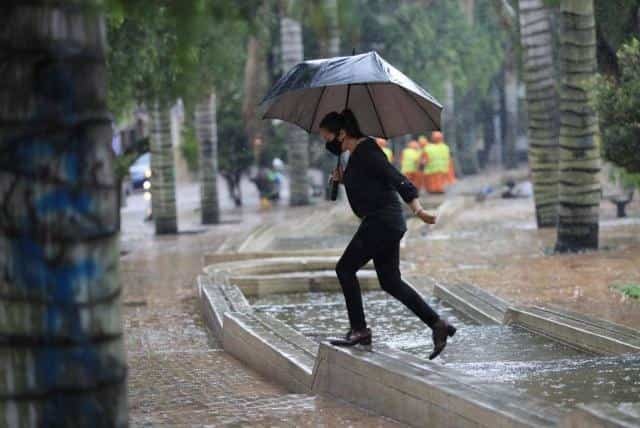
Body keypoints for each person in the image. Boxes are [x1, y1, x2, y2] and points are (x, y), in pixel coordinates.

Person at [319, 109, 456, 360]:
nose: (326, 144)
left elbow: (397, 178)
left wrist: (418, 209)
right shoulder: (355, 155)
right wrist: (342, 180)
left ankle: (359, 330)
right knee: (390, 281)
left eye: (327, 138)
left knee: (345, 269)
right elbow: (368, 186)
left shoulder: (367, 151)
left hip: (382, 221)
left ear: (341, 133)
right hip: (384, 222)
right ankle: (438, 325)